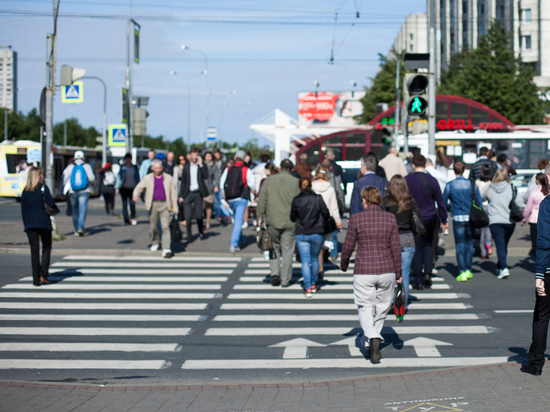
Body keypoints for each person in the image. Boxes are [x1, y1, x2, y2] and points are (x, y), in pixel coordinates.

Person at [340, 186, 401, 364]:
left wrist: (344, 264)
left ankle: (372, 336)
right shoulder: (390, 218)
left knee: (365, 306)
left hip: (364, 270)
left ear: (365, 200)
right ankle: (372, 338)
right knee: (382, 307)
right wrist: (399, 272)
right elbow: (396, 247)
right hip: (386, 269)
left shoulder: (356, 219)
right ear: (380, 200)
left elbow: (348, 245)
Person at [522, 163, 550, 376]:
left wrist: (539, 275)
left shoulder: (547, 204)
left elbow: (543, 242)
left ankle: (536, 362)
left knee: (541, 316)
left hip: (549, 269)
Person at [405, 155, 448, 289]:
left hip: (414, 218)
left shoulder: (407, 180)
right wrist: (444, 218)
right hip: (430, 217)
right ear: (425, 165)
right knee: (429, 245)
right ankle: (428, 274)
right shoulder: (432, 180)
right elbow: (440, 201)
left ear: (413, 165)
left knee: (416, 248)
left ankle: (418, 279)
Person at [257, 159, 300, 286]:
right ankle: (285, 279)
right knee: (287, 250)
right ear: (292, 169)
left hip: (272, 219)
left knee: (273, 247)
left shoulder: (269, 181)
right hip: (290, 221)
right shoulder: (296, 182)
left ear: (280, 168)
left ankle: (275, 273)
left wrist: (260, 216)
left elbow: (262, 200)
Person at [381, 175, 419, 309]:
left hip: (391, 240)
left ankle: (392, 300)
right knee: (405, 273)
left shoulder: (385, 201)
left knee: (392, 273)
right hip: (407, 238)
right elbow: (417, 219)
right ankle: (402, 304)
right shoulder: (410, 201)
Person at [291, 177, 330, 297]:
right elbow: (326, 213)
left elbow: (292, 217)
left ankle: (307, 287)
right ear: (310, 186)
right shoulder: (318, 198)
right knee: (315, 259)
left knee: (305, 261)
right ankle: (313, 283)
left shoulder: (297, 200)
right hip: (317, 231)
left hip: (302, 232)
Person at [443, 161, 483, 282]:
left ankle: (462, 271)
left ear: (454, 171)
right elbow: (479, 202)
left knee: (460, 244)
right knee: (469, 243)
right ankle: (469, 269)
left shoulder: (450, 185)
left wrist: (443, 218)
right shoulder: (471, 184)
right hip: (470, 217)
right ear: (464, 170)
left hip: (457, 217)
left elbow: (444, 202)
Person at [132, 159, 178, 258]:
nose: (158, 170)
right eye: (156, 168)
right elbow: (139, 187)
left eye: (159, 168)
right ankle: (155, 241)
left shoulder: (168, 178)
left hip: (165, 204)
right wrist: (136, 194)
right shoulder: (148, 178)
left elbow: (173, 194)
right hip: (153, 205)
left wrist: (175, 207)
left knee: (165, 226)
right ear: (152, 168)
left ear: (162, 168)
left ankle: (166, 248)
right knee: (154, 227)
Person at [21, 166, 55, 286]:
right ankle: (43, 274)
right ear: (37, 176)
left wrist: (26, 224)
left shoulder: (25, 191)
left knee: (34, 250)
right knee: (46, 246)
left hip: (30, 224)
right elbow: (50, 203)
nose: (43, 177)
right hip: (43, 222)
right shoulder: (43, 189)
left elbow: (23, 210)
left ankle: (36, 279)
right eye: (41, 175)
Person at [481, 168, 516, 279]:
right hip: (509, 221)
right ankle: (500, 266)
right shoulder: (512, 188)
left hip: (495, 221)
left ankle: (503, 268)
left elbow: (481, 197)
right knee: (503, 244)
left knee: (500, 245)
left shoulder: (490, 187)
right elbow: (519, 202)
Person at [220, 150, 256, 253]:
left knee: (236, 219)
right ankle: (234, 244)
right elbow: (252, 184)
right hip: (241, 197)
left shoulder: (228, 169)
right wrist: (255, 194)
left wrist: (224, 198)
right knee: (238, 221)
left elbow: (222, 184)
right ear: (244, 158)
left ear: (235, 158)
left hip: (230, 198)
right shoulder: (246, 170)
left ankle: (240, 238)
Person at [312, 168, 342, 278]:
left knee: (315, 244)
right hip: (326, 218)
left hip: (313, 219)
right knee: (323, 244)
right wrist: (338, 221)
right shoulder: (330, 188)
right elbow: (334, 207)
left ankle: (318, 266)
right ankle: (320, 266)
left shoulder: (311, 187)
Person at [61, 150, 95, 237]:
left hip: (73, 191)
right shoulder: (87, 166)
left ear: (74, 158)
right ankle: (81, 227)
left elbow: (64, 178)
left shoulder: (70, 167)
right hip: (84, 191)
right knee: (82, 210)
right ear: (83, 158)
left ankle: (76, 229)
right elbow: (92, 178)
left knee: (75, 211)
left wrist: (62, 189)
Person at [179, 148, 209, 243]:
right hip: (188, 193)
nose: (194, 156)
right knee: (187, 217)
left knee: (199, 215)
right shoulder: (187, 167)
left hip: (198, 193)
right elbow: (183, 182)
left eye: (196, 154)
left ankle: (201, 231)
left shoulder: (202, 166)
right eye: (193, 154)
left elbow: (206, 176)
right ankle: (189, 236)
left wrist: (200, 165)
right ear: (190, 155)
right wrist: (181, 195)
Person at [522, 173, 548, 255]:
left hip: (535, 220)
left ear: (537, 181)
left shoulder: (533, 192)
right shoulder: (548, 192)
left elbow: (528, 208)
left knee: (536, 243)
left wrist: (523, 219)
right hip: (547, 220)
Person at [475, 164, 494, 259]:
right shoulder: (492, 183)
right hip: (490, 207)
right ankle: (488, 244)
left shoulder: (477, 183)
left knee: (482, 230)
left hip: (481, 208)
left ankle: (482, 252)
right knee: (489, 228)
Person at [116, 153, 140, 226]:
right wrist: (117, 188)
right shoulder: (122, 167)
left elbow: (137, 178)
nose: (128, 160)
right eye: (126, 158)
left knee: (132, 203)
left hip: (132, 188)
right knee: (124, 204)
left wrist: (138, 187)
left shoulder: (134, 167)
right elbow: (119, 178)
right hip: (124, 188)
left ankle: (132, 217)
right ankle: (126, 219)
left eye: (129, 158)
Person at [203, 151, 219, 230]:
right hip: (202, 187)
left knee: (209, 205)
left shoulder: (214, 166)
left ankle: (208, 221)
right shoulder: (201, 164)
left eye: (210, 156)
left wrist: (216, 185)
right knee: (201, 206)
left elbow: (216, 176)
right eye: (207, 156)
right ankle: (202, 220)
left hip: (210, 187)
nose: (208, 158)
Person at [173, 154, 187, 223]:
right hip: (178, 185)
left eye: (183, 159)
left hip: (185, 185)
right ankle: (178, 216)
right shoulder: (176, 168)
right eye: (180, 160)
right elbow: (175, 179)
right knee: (177, 201)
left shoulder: (187, 167)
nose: (182, 161)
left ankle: (183, 217)